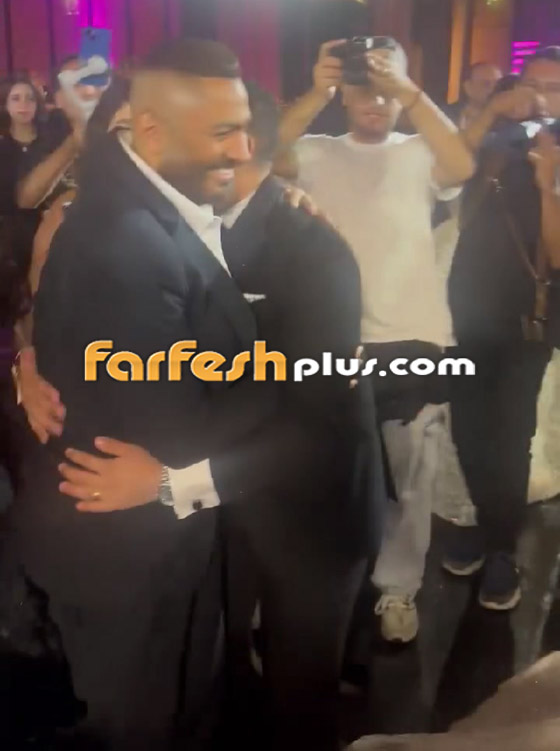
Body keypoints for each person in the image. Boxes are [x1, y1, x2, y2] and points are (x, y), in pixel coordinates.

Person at [16, 80, 378, 751]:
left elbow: (315, 429)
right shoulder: (152, 224)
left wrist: (166, 484)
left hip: (307, 509)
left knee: (301, 696)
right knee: (222, 682)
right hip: (215, 510)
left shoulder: (313, 250)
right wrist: (27, 364)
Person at [10, 39, 263, 750]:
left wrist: (30, 358)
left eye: (246, 129)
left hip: (154, 537)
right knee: (143, 727)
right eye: (223, 131)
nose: (242, 149)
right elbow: (181, 431)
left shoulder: (169, 210)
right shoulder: (125, 242)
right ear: (145, 130)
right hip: (128, 552)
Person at [274, 38, 474, 643]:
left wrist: (407, 91)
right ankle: (328, 581)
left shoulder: (419, 151)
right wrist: (318, 90)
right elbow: (268, 152)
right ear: (343, 91)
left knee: (410, 476)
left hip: (413, 335)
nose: (376, 100)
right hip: (331, 337)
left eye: (387, 89)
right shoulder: (316, 148)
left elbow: (461, 166)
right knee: (325, 467)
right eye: (363, 86)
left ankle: (397, 589)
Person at [445, 46, 560, 610]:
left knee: (510, 436)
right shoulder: (496, 141)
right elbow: (447, 175)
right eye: (531, 83)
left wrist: (548, 184)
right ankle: (488, 523)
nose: (540, 96)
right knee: (467, 428)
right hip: (466, 311)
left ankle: (501, 547)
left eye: (553, 87)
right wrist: (491, 112)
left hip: (527, 321)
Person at [16, 56, 107, 211]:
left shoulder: (122, 127)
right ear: (59, 99)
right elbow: (26, 199)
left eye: (93, 82)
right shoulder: (47, 132)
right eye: (76, 84)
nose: (88, 91)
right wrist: (74, 142)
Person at [444, 62, 502, 129]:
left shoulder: (506, 122)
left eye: (497, 85)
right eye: (486, 84)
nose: (493, 89)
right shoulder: (444, 114)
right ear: (468, 87)